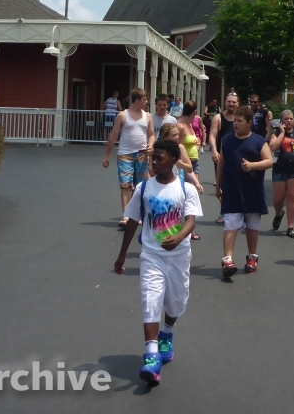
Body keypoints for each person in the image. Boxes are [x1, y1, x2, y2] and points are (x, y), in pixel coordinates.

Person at [114, 138, 202, 387]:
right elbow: (132, 220)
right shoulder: (144, 188)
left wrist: (180, 236)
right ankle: (151, 355)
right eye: (153, 157)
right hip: (151, 255)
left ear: (173, 161)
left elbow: (190, 220)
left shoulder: (186, 188)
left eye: (159, 157)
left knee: (175, 302)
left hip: (178, 256)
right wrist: (122, 255)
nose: (154, 161)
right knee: (150, 299)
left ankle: (167, 334)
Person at [216, 105, 274, 277]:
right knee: (231, 224)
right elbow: (221, 164)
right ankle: (227, 259)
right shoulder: (226, 140)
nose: (236, 124)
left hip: (252, 190)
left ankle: (252, 257)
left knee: (252, 225)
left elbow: (269, 161)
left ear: (249, 123)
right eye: (234, 121)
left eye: (240, 121)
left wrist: (252, 166)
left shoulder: (258, 141)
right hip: (232, 189)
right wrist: (218, 185)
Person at [103, 88, 155, 229]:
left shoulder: (148, 116)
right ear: (137, 100)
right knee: (125, 185)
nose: (147, 102)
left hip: (142, 154)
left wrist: (151, 145)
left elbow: (151, 134)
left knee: (139, 186)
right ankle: (126, 215)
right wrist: (107, 156)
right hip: (125, 154)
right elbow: (113, 136)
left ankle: (137, 214)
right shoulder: (122, 115)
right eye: (144, 99)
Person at [269, 109, 294, 239]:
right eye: (286, 119)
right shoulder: (276, 133)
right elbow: (273, 147)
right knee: (278, 199)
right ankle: (279, 213)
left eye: (291, 118)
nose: (289, 121)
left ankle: (291, 227)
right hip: (279, 169)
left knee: (292, 197)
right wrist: (282, 133)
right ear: (282, 121)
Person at [209, 92, 239, 224]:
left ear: (238, 104)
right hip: (222, 157)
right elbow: (212, 135)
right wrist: (214, 150)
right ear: (225, 103)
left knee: (238, 185)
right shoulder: (218, 118)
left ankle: (238, 213)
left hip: (239, 157)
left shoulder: (241, 117)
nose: (231, 104)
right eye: (229, 101)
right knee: (222, 186)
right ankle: (225, 212)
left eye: (234, 102)